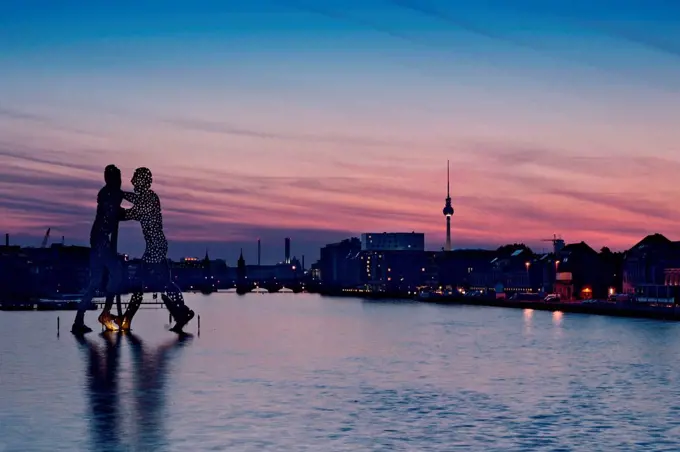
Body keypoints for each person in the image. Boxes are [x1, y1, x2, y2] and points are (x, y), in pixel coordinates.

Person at [116, 167, 194, 332]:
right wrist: (121, 196)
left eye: (135, 179)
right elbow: (134, 205)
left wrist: (118, 197)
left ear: (143, 182)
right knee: (165, 282)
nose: (132, 182)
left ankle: (127, 320)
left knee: (139, 283)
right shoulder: (147, 198)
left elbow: (131, 212)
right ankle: (182, 311)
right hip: (156, 246)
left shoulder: (149, 199)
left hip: (155, 248)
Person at [72, 165, 124, 334]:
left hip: (99, 240)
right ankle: (105, 313)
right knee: (116, 274)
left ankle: (80, 319)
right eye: (118, 178)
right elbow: (112, 213)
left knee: (97, 281)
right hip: (101, 240)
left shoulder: (112, 193)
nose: (120, 181)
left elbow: (116, 211)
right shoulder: (109, 194)